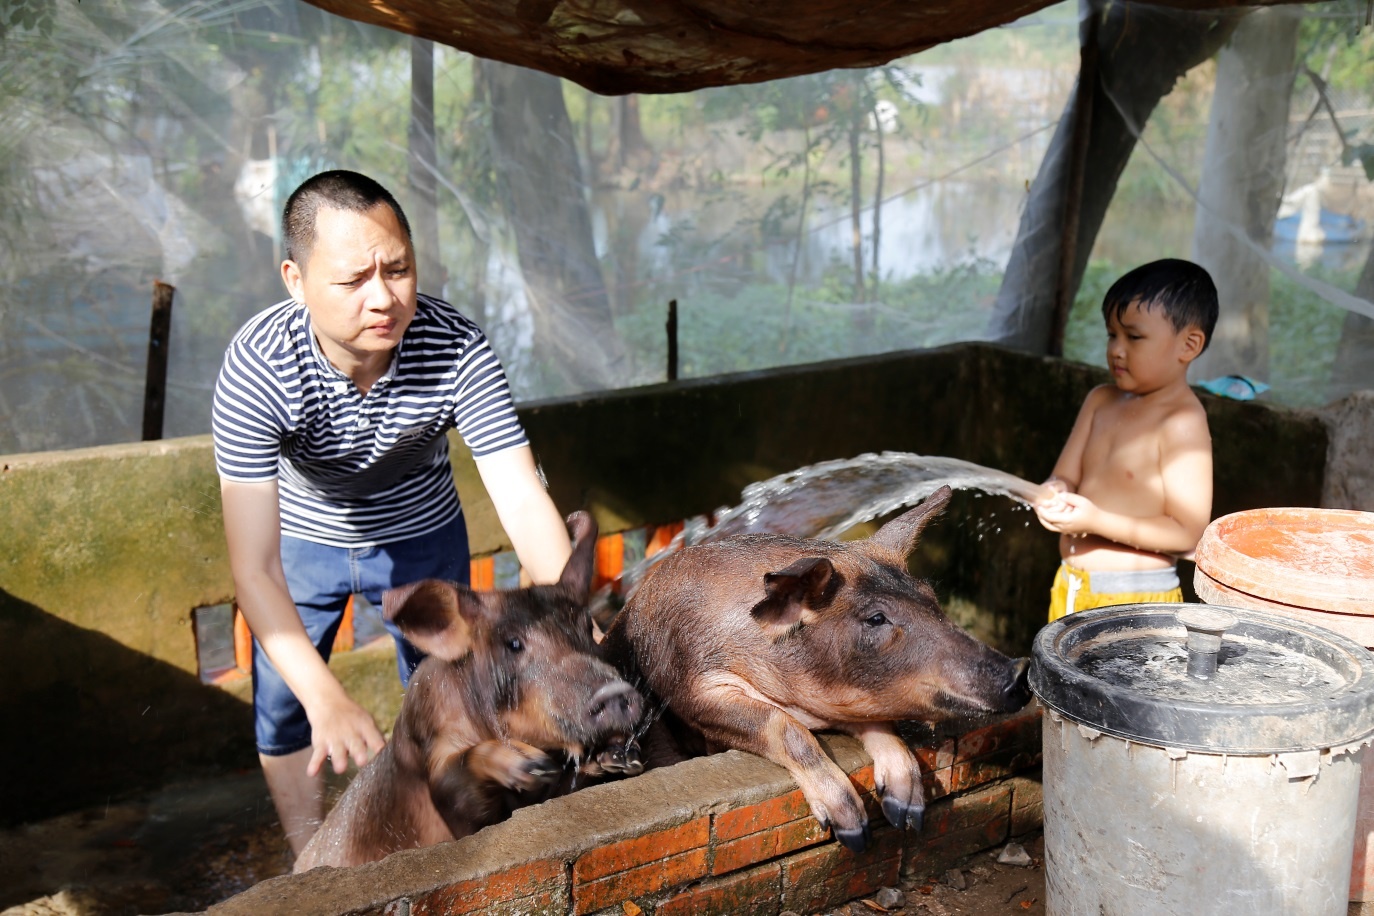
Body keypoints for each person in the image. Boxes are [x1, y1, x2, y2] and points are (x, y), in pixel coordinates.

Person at [211, 170, 573, 859]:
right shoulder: (259, 367)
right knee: (287, 704)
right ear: (295, 278)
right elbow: (252, 568)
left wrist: (575, 618)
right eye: (353, 281)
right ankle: (308, 859)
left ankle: (442, 842)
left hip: (420, 534)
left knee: (447, 688)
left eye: (398, 268)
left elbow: (522, 494)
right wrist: (326, 697)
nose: (384, 297)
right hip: (305, 538)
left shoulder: (454, 345)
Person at [1034, 258, 1218, 622]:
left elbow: (1188, 533)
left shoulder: (1181, 422)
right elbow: (1064, 476)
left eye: (1134, 337)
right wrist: (1054, 492)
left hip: (1135, 600)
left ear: (1189, 344)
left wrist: (1095, 520)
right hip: (1070, 584)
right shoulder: (1099, 401)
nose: (1117, 349)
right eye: (1111, 334)